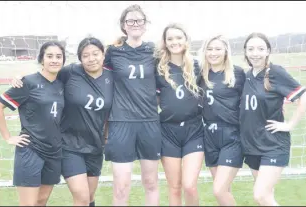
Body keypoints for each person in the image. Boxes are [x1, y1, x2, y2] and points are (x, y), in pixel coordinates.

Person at [10, 37, 113, 206]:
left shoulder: (112, 77)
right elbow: (45, 73)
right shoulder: (71, 72)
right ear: (80, 58)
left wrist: (107, 137)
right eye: (86, 55)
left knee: (90, 197)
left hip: (95, 146)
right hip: (69, 145)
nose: (91, 58)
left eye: (95, 54)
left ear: (103, 55)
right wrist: (20, 76)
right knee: (82, 196)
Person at [240, 32, 306, 206]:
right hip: (252, 145)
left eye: (260, 48)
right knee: (267, 197)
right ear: (245, 52)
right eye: (251, 49)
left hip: (273, 144)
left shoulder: (275, 72)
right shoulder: (246, 76)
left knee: (260, 195)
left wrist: (290, 125)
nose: (255, 53)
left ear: (268, 51)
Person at [0, 41, 66, 206]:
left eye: (59, 56)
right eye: (50, 56)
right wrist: (8, 137)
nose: (54, 60)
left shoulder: (62, 84)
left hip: (54, 151)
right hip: (31, 150)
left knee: (41, 201)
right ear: (41, 59)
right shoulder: (28, 83)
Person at [103, 4, 162, 206]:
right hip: (121, 122)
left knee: (151, 182)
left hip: (149, 122)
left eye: (139, 20)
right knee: (121, 184)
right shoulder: (113, 52)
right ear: (123, 26)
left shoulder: (155, 52)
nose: (135, 23)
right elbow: (90, 69)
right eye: (130, 20)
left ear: (145, 25)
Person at [154, 23, 204, 206]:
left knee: (189, 185)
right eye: (170, 38)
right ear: (165, 42)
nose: (175, 42)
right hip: (168, 132)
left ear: (186, 40)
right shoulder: (159, 68)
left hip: (193, 130)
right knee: (174, 187)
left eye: (178, 37)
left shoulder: (198, 66)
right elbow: (157, 99)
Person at [198, 34, 245, 206]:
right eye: (209, 49)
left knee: (218, 190)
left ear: (226, 51)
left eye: (218, 49)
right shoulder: (201, 74)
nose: (213, 53)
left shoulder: (238, 73)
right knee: (224, 190)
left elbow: (253, 97)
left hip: (231, 135)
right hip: (209, 135)